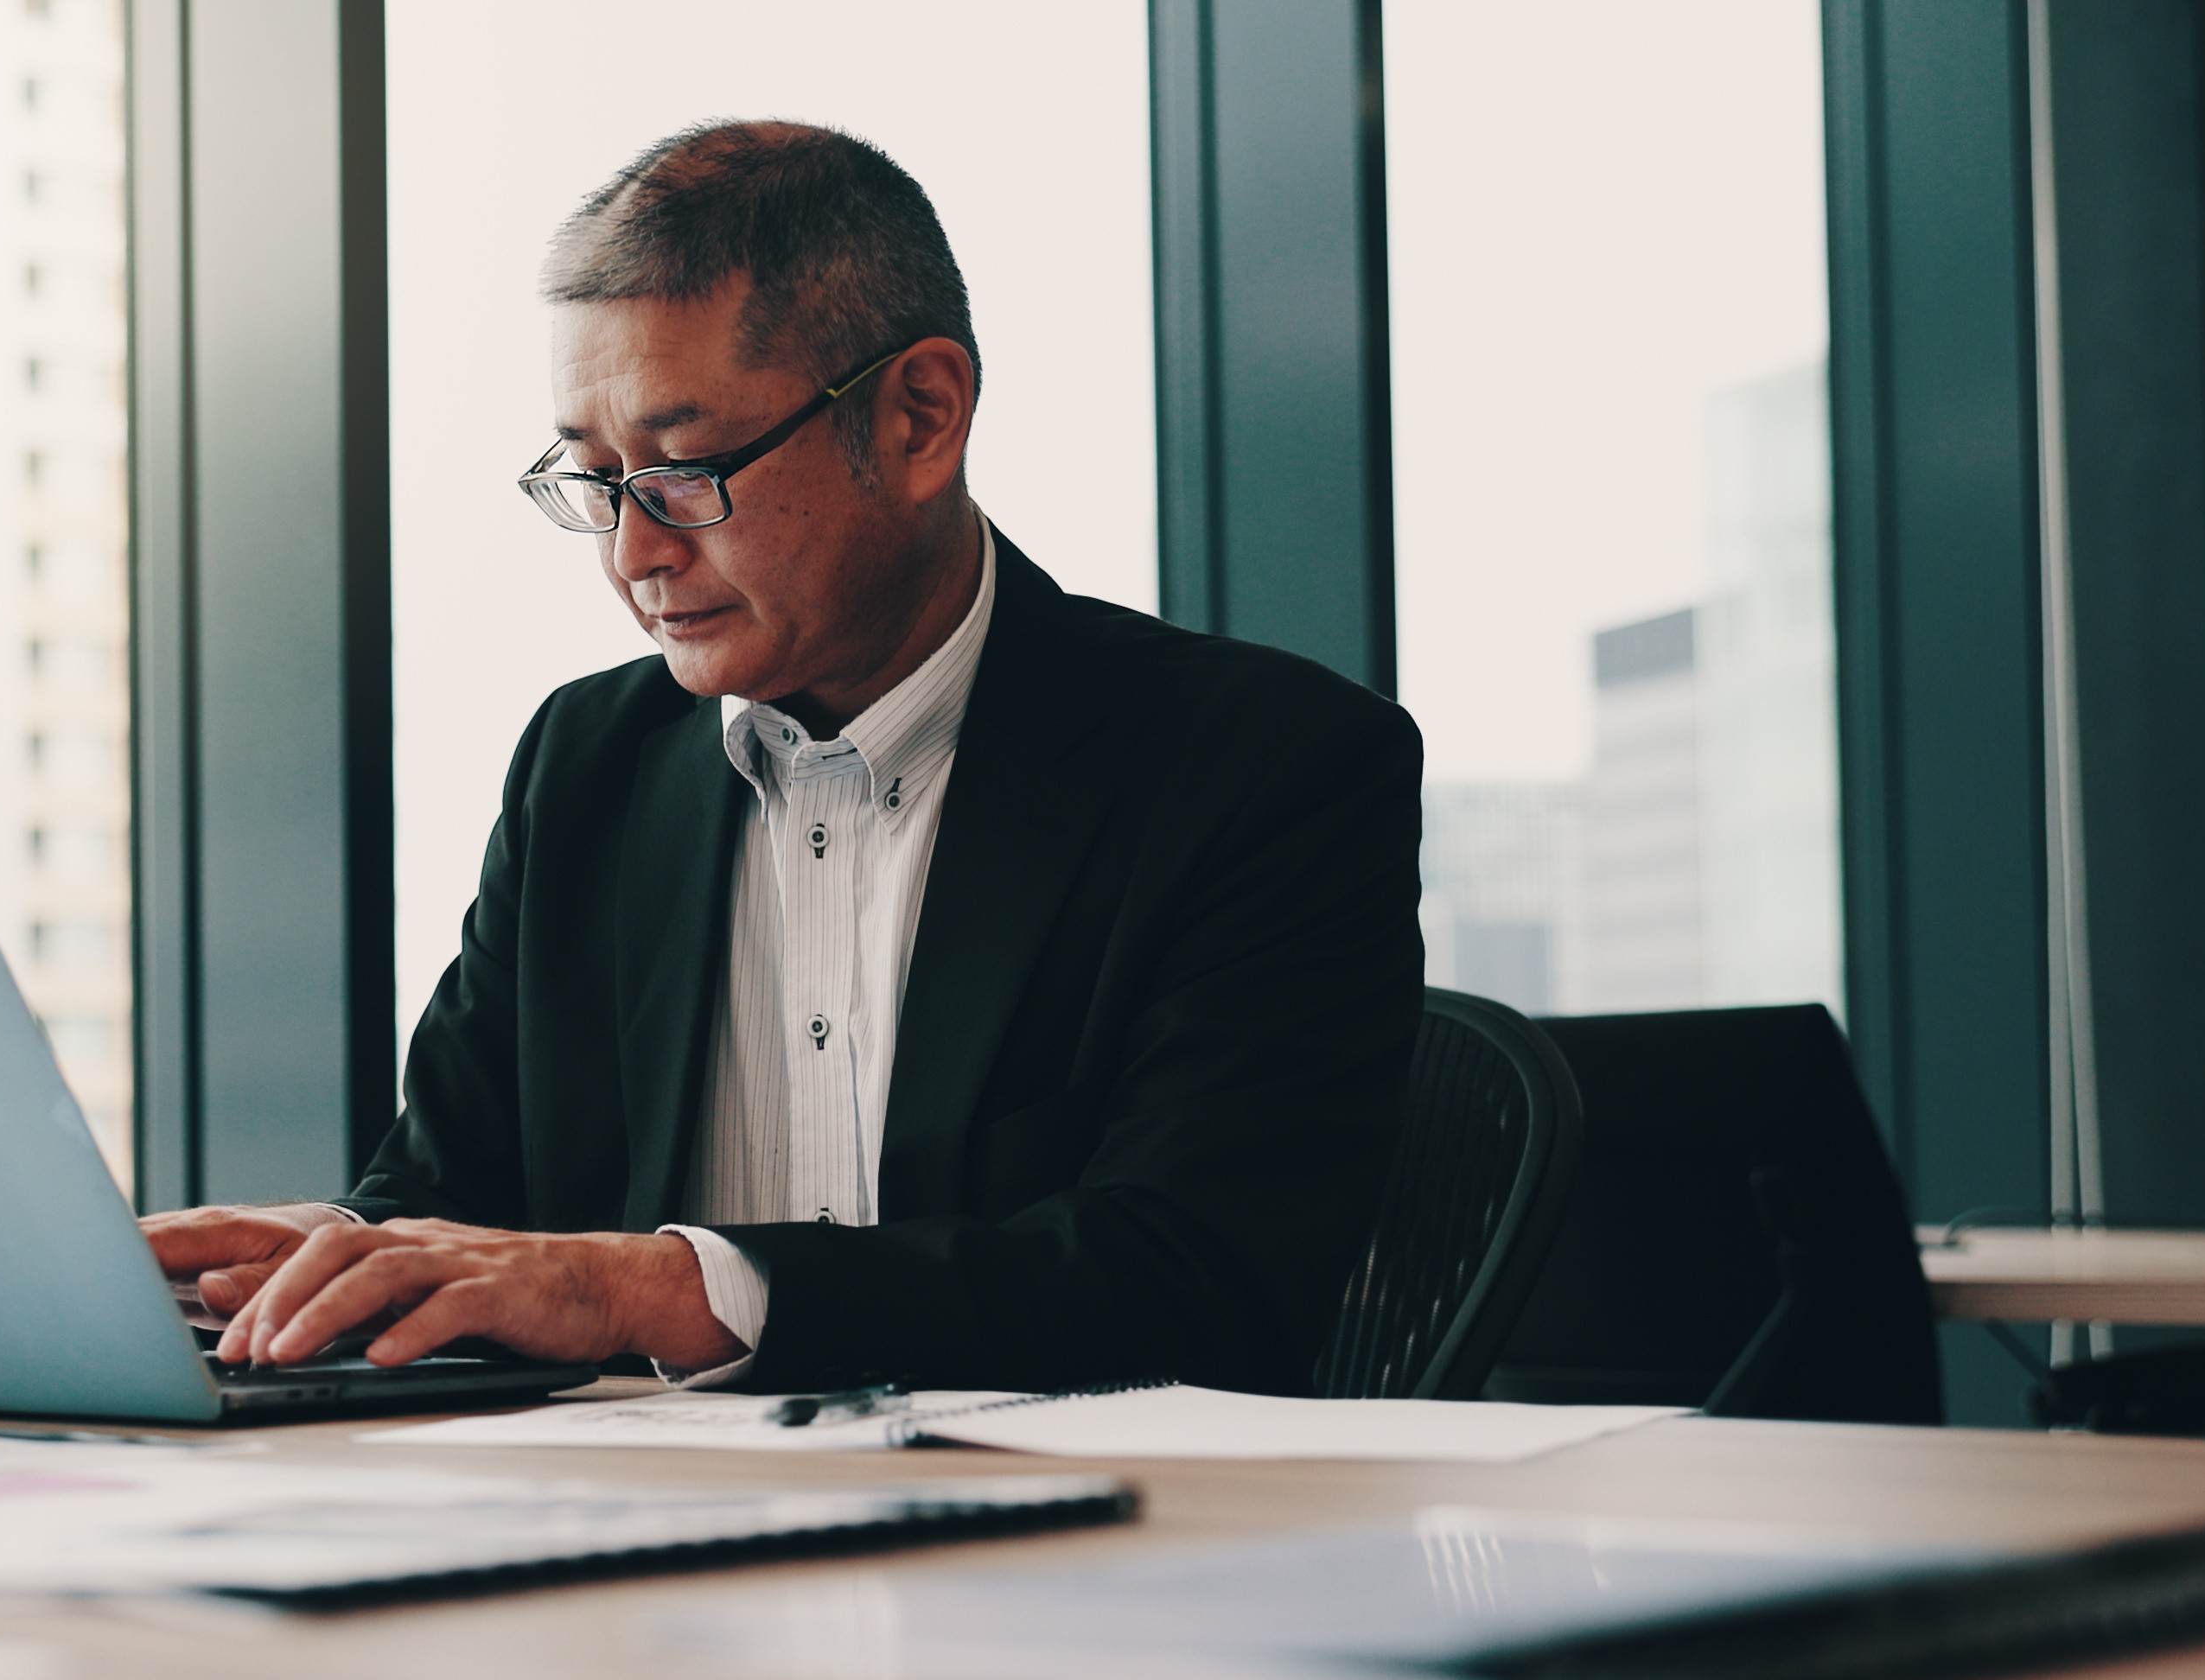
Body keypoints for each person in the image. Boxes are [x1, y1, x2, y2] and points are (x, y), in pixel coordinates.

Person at [141, 119, 1422, 1394]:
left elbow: (1194, 1286)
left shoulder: (1265, 769)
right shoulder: (587, 765)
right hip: (634, 1544)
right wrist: (349, 1256)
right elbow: (458, 1195)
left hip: (1076, 1555)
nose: (633, 554)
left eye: (686, 471)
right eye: (596, 479)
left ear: (921, 417)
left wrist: (654, 1287)